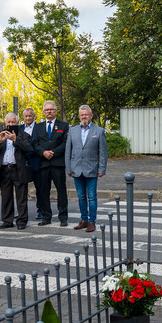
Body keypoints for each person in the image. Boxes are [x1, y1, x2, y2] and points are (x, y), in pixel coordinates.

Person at [65, 104, 108, 233]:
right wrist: (69, 168)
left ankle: (91, 221)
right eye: (82, 114)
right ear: (79, 116)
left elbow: (103, 152)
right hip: (76, 169)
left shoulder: (99, 131)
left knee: (92, 197)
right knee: (81, 197)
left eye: (86, 114)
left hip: (92, 170)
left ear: (91, 116)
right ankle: (83, 220)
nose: (84, 116)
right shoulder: (72, 131)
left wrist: (101, 169)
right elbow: (68, 151)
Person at [0, 112, 33, 230]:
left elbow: (28, 148)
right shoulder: (0, 134)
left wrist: (15, 140)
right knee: (6, 196)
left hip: (18, 169)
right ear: (5, 123)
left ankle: (22, 221)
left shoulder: (24, 135)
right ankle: (7, 220)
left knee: (21, 197)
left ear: (17, 123)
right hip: (4, 169)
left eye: (13, 122)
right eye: (8, 122)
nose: (10, 124)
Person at [31, 99, 70, 227]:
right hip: (43, 163)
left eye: (51, 109)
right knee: (43, 191)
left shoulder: (63, 126)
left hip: (57, 163)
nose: (49, 112)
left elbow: (66, 143)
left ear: (56, 111)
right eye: (47, 110)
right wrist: (43, 152)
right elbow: (34, 143)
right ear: (43, 112)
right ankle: (46, 216)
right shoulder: (38, 127)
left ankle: (63, 217)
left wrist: (53, 152)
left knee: (61, 191)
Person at [20, 107, 41, 220]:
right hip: (23, 162)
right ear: (23, 117)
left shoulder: (39, 128)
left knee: (39, 187)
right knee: (22, 189)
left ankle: (40, 210)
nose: (28, 118)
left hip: (36, 160)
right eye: (26, 116)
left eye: (30, 116)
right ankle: (22, 212)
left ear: (34, 116)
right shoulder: (19, 128)